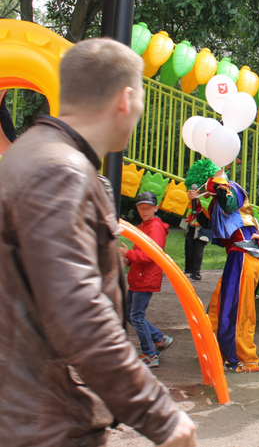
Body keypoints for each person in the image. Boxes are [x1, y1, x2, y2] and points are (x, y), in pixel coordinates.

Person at [0, 39, 195, 445]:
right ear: (126, 99)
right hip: (41, 420)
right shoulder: (62, 171)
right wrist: (159, 415)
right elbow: (77, 309)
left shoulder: (30, 154)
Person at [197, 169, 259, 375]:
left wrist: (220, 182)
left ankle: (245, 358)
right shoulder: (217, 199)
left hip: (244, 254)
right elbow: (206, 222)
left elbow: (229, 204)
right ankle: (218, 349)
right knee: (219, 304)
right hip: (237, 256)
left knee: (238, 309)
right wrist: (196, 201)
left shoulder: (233, 189)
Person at [121, 191, 174, 368]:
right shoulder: (145, 225)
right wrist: (128, 258)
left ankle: (150, 355)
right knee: (130, 313)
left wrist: (128, 254)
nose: (144, 211)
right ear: (137, 208)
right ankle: (160, 339)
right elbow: (141, 254)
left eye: (148, 208)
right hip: (139, 276)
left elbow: (151, 255)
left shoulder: (155, 226)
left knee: (136, 316)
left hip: (146, 277)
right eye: (141, 208)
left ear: (156, 208)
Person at [183, 158, 217, 282]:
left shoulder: (212, 196)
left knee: (198, 246)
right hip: (193, 221)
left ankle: (196, 271)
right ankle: (190, 269)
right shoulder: (193, 192)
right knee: (190, 245)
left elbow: (208, 209)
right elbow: (188, 209)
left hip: (203, 223)